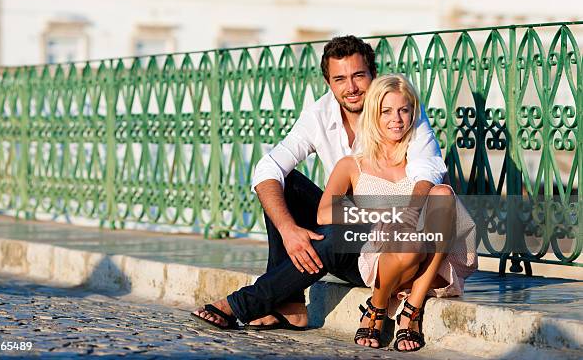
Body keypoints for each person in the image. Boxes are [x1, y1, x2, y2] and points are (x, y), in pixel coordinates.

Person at [191, 36, 446, 331]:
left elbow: (427, 169)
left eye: (358, 76)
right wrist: (289, 231)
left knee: (338, 232)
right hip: (343, 224)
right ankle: (291, 304)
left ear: (373, 75)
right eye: (340, 79)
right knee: (283, 183)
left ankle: (243, 304)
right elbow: (269, 167)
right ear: (328, 83)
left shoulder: (399, 111)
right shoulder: (319, 114)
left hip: (391, 239)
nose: (350, 88)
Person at [316, 74, 477, 351]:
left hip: (432, 262)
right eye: (386, 111)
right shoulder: (352, 165)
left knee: (441, 195)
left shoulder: (421, 159)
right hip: (384, 257)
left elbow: (447, 215)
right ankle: (378, 304)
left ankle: (410, 310)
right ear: (373, 115)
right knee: (408, 242)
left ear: (414, 113)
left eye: (404, 110)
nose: (397, 119)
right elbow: (323, 214)